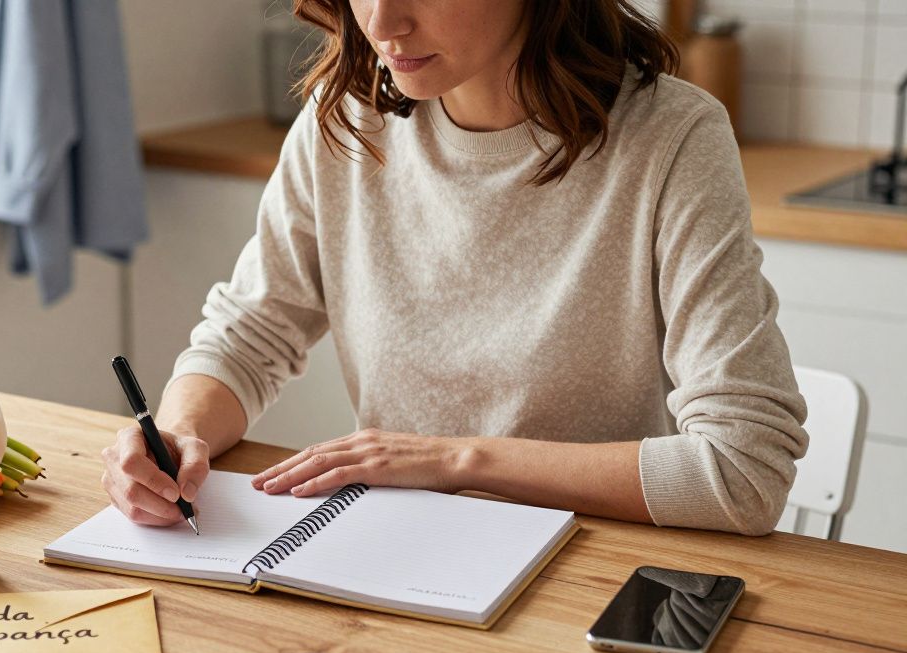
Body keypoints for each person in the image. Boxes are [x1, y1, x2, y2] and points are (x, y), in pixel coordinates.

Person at [100, 0, 809, 536]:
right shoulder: (346, 119)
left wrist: (455, 461)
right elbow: (249, 335)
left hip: (592, 567)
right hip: (395, 556)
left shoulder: (671, 141)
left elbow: (743, 469)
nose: (382, 22)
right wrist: (181, 432)